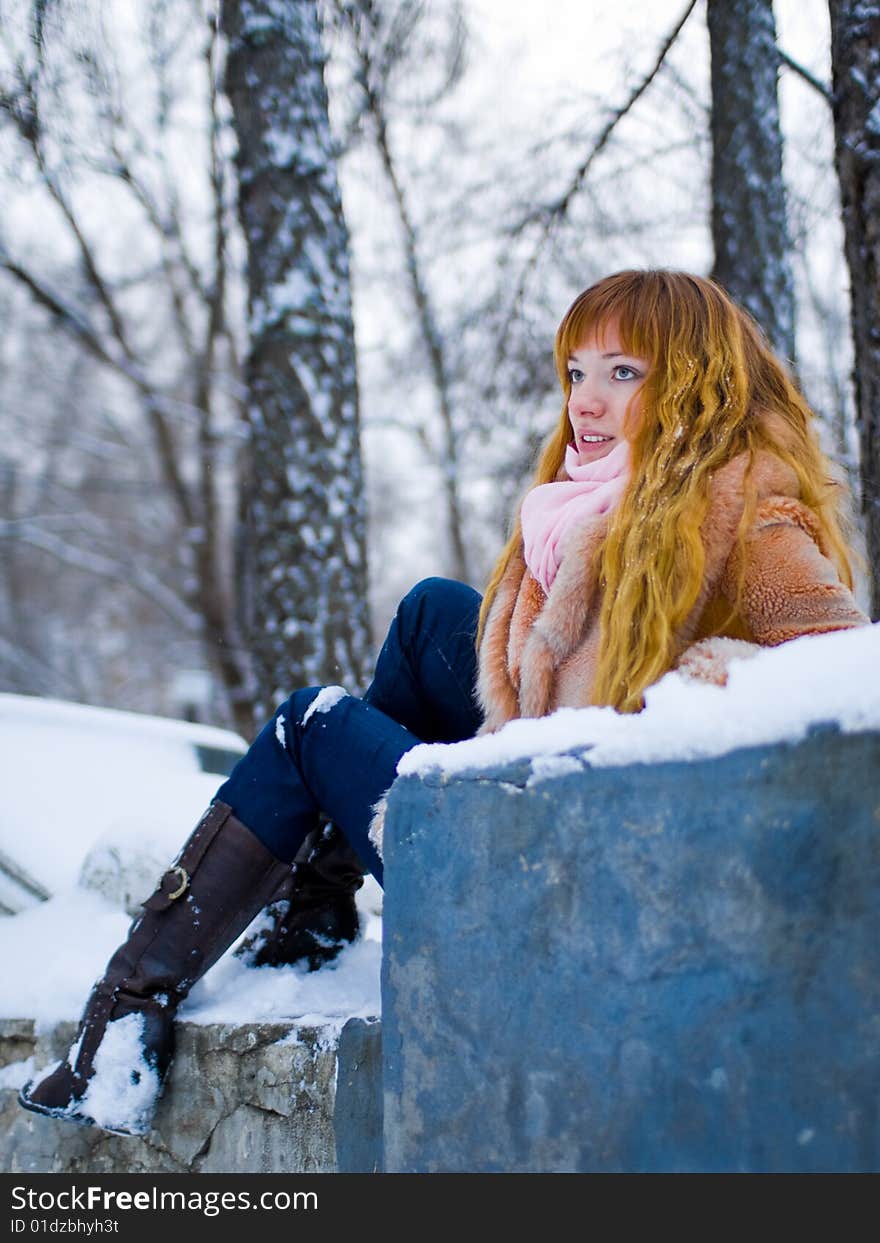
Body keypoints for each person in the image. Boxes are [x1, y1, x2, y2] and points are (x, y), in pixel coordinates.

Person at [19, 269, 869, 1135]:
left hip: (563, 871)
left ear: (693, 379)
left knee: (308, 722)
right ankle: (308, 918)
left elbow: (841, 674)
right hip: (537, 803)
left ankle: (121, 1023)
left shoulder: (747, 512)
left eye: (624, 372)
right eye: (576, 372)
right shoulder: (587, 512)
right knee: (432, 609)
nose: (587, 399)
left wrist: (702, 680)